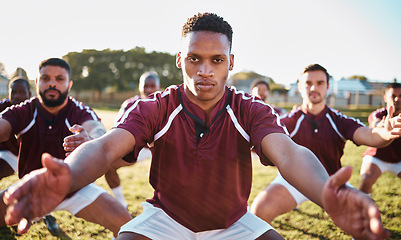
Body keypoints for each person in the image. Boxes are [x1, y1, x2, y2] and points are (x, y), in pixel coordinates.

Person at [3, 14, 395, 240]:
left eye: (216, 60)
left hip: (233, 221)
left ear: (230, 61)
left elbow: (289, 154)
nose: (204, 71)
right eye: (194, 59)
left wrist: (328, 196)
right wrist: (68, 174)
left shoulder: (250, 109)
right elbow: (106, 147)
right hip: (165, 219)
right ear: (180, 59)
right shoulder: (157, 106)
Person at [250, 64, 401, 229]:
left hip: (331, 180)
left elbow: (369, 135)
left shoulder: (338, 119)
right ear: (300, 87)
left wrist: (386, 134)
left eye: (320, 83)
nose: (314, 88)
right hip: (293, 181)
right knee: (259, 211)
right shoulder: (288, 121)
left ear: (328, 86)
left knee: (367, 214)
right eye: (308, 83)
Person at [0, 58, 132, 238]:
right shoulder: (25, 110)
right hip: (32, 188)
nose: (52, 84)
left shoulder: (79, 110)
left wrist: (91, 139)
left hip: (75, 188)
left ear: (69, 85)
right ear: (37, 82)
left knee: (126, 224)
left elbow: (98, 131)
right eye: (46, 78)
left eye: (59, 79)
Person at [105, 71, 161, 208]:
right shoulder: (130, 104)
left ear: (158, 87)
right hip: (139, 148)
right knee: (108, 165)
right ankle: (122, 205)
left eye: (152, 86)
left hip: (162, 149)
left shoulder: (166, 102)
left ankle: (167, 206)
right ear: (140, 87)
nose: (148, 89)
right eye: (145, 86)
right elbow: (117, 127)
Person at [359, 82, 401, 194]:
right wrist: (385, 126)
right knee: (366, 180)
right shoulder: (378, 114)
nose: (397, 99)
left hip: (399, 159)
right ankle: (363, 209)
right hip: (377, 157)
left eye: (400, 96)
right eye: (393, 96)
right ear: (385, 98)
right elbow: (376, 124)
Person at [0, 77, 31, 180]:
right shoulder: (4, 106)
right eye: (13, 92)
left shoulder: (34, 110)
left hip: (16, 156)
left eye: (21, 92)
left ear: (29, 94)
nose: (17, 96)